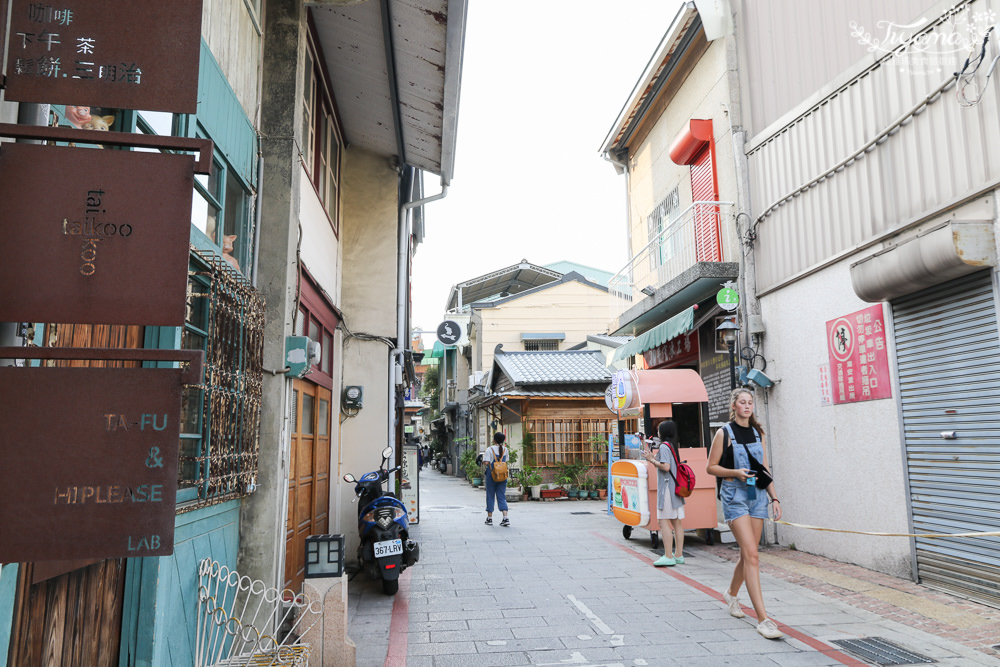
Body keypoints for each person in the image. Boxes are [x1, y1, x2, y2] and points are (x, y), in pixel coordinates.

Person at [707, 387, 784, 640]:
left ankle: (731, 593)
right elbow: (711, 467)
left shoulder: (757, 432)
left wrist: (775, 497)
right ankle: (763, 619)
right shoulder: (723, 433)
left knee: (748, 553)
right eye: (743, 402)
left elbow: (764, 468)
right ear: (734, 406)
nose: (747, 406)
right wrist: (735, 473)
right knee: (752, 555)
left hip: (758, 496)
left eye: (750, 402)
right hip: (735, 497)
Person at [643, 420, 685, 566]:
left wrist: (652, 461)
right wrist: (652, 458)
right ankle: (678, 554)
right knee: (677, 522)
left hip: (667, 489)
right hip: (675, 489)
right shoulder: (673, 445)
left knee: (663, 521)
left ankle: (668, 555)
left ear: (664, 432)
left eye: (659, 430)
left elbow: (666, 467)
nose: (658, 433)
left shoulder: (664, 446)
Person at [483, 432, 510, 527]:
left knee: (490, 495)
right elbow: (505, 461)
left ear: (494, 440)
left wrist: (482, 460)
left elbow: (486, 462)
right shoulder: (505, 449)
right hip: (502, 475)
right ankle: (505, 517)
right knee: (501, 496)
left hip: (492, 474)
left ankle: (489, 518)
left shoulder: (490, 449)